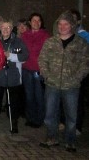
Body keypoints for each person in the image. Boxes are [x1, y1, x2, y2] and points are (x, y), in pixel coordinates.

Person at [38, 11, 89, 153]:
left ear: (71, 26)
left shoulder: (80, 43)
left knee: (71, 116)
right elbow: (42, 59)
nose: (62, 26)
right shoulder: (51, 42)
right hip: (52, 84)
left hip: (71, 85)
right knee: (50, 114)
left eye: (65, 24)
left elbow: (85, 63)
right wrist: (47, 75)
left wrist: (76, 78)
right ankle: (52, 138)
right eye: (60, 24)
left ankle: (70, 141)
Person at [0, 20, 29, 134]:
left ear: (12, 28)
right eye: (3, 27)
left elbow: (25, 56)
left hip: (13, 76)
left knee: (14, 101)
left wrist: (10, 56)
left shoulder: (18, 41)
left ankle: (14, 122)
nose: (5, 30)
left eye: (8, 27)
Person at [21, 12, 49, 128]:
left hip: (38, 70)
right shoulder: (25, 35)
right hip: (26, 68)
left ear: (41, 23)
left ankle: (39, 119)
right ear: (30, 22)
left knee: (39, 95)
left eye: (38, 21)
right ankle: (30, 117)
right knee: (29, 95)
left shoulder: (45, 36)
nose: (36, 23)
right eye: (34, 20)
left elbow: (47, 54)